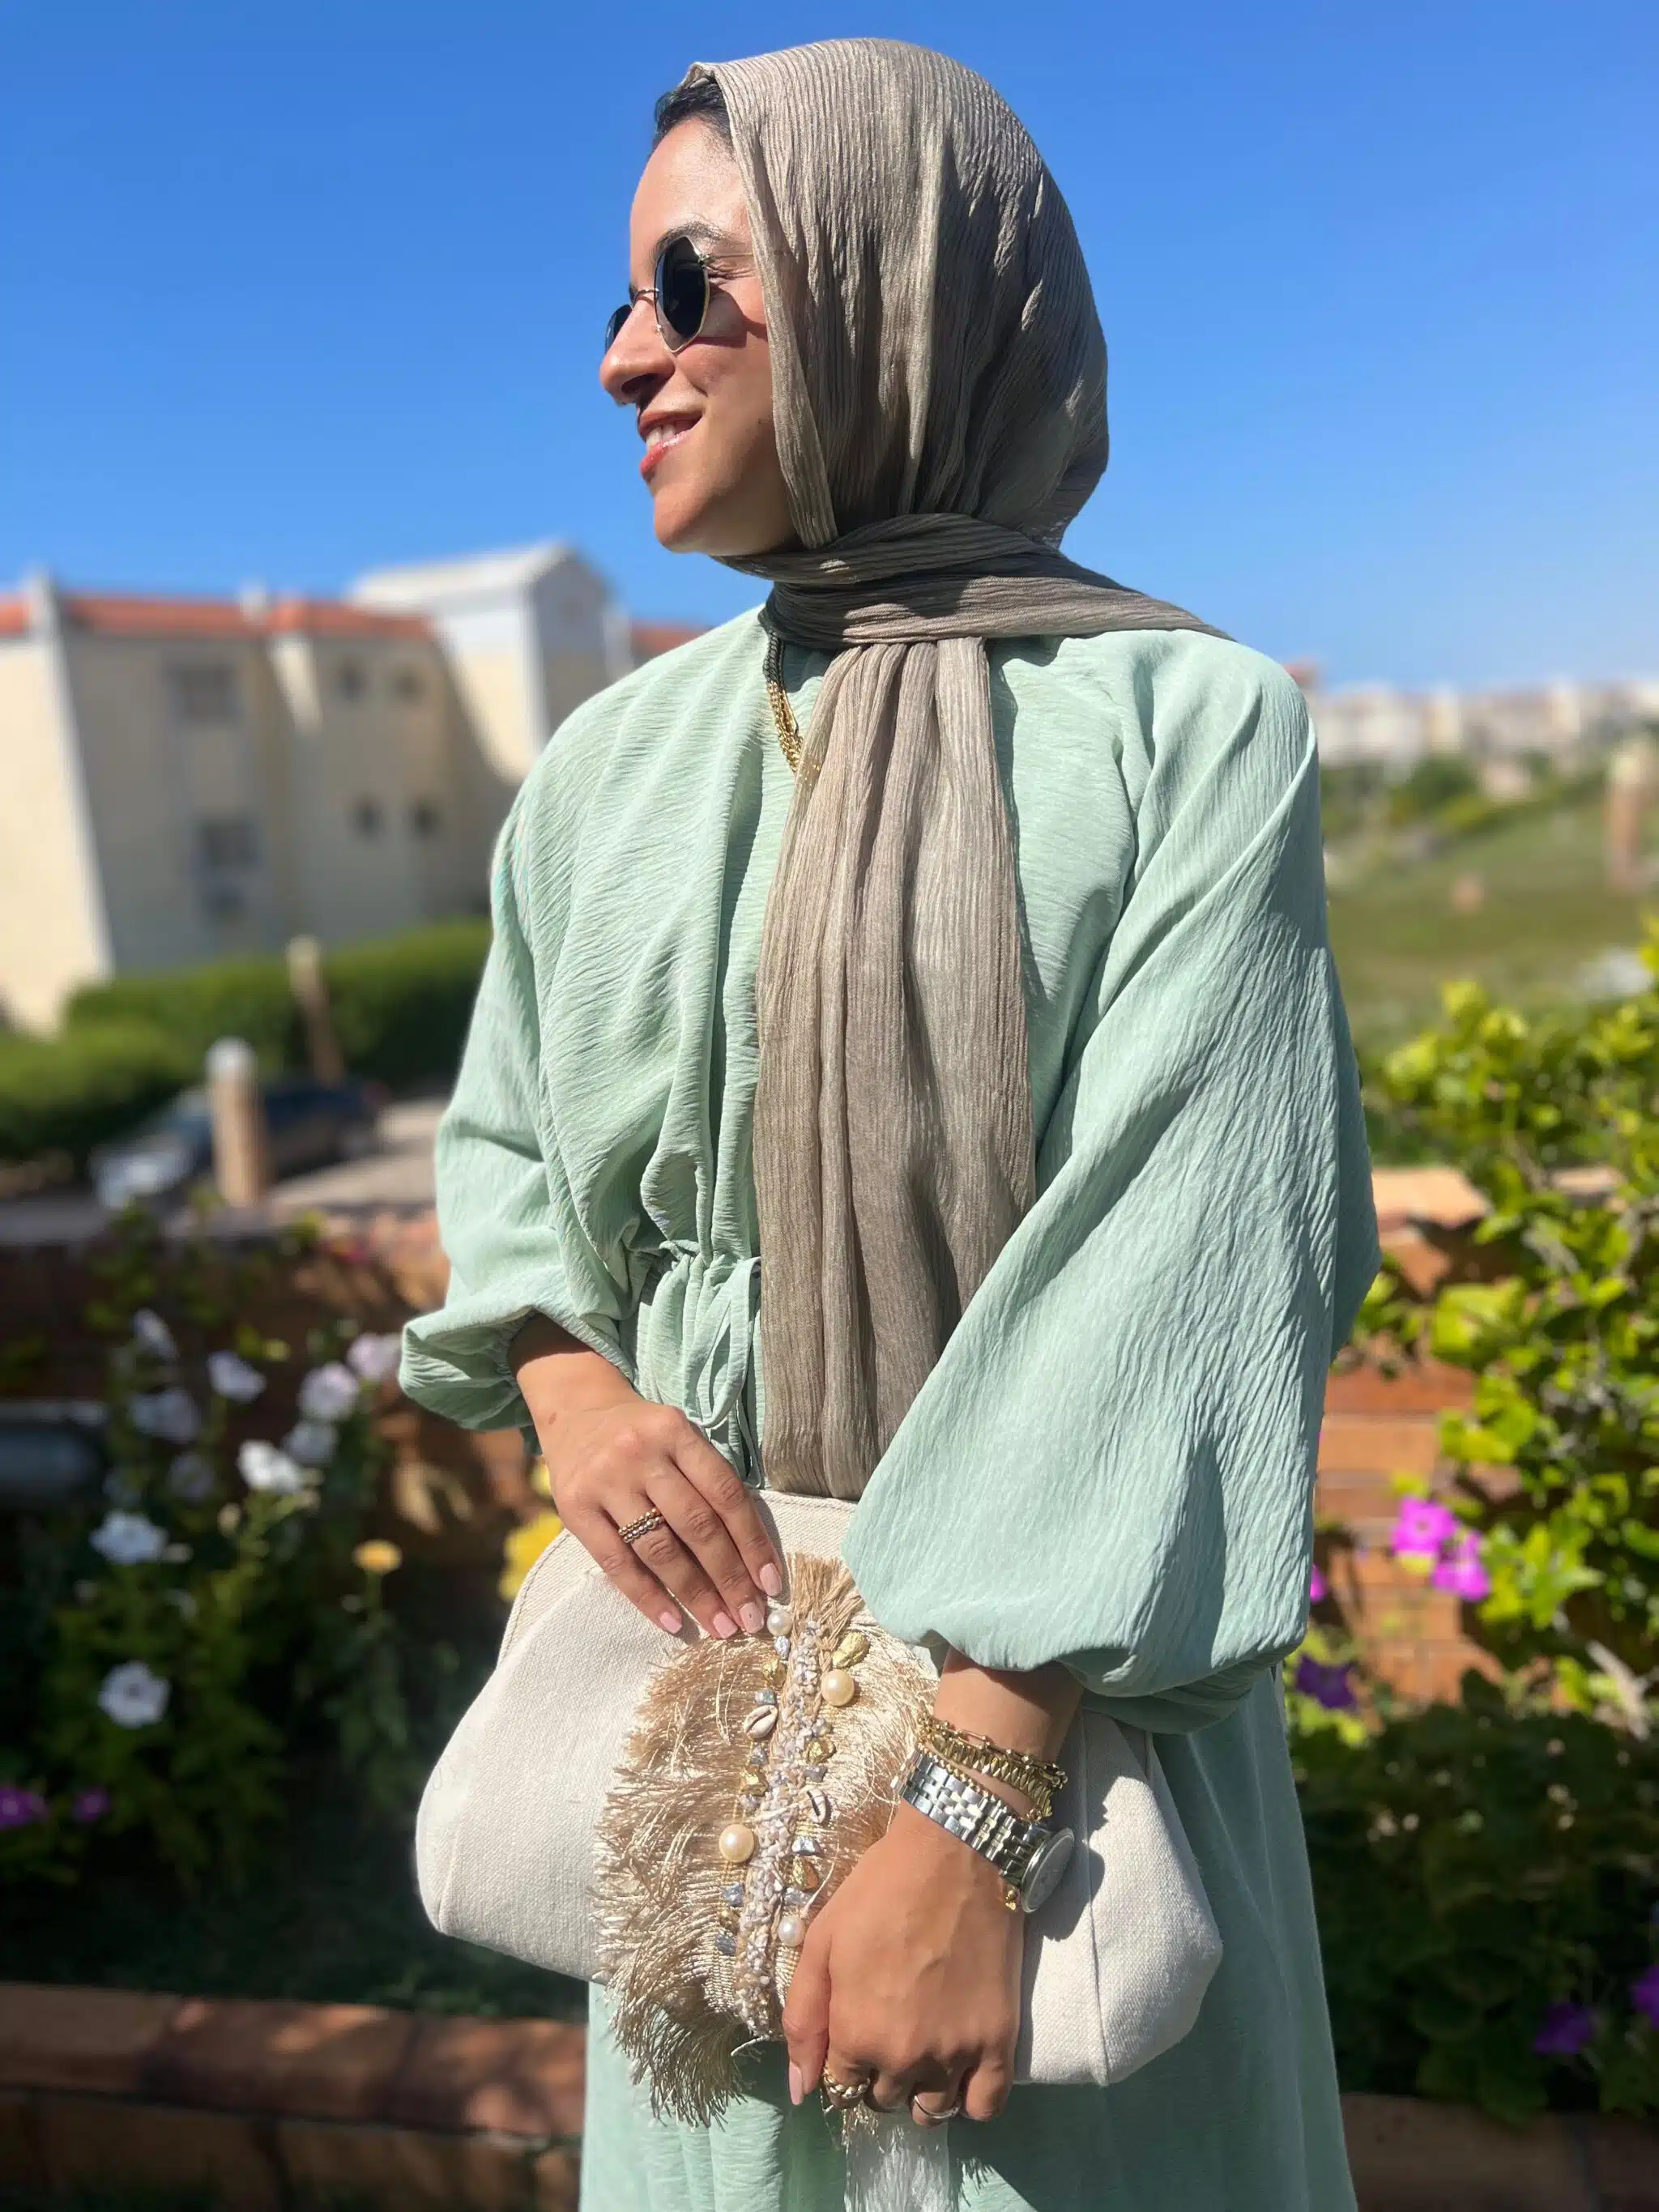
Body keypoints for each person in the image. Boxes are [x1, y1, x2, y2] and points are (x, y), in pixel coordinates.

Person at [400, 36, 1379, 2212]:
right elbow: (507, 1152)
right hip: (709, 1713)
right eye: (622, 298)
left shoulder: (1184, 732)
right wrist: (569, 1384)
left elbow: (1196, 1257)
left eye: (690, 284)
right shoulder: (608, 771)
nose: (623, 356)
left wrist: (975, 1809)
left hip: (1051, 1742)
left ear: (890, 288)